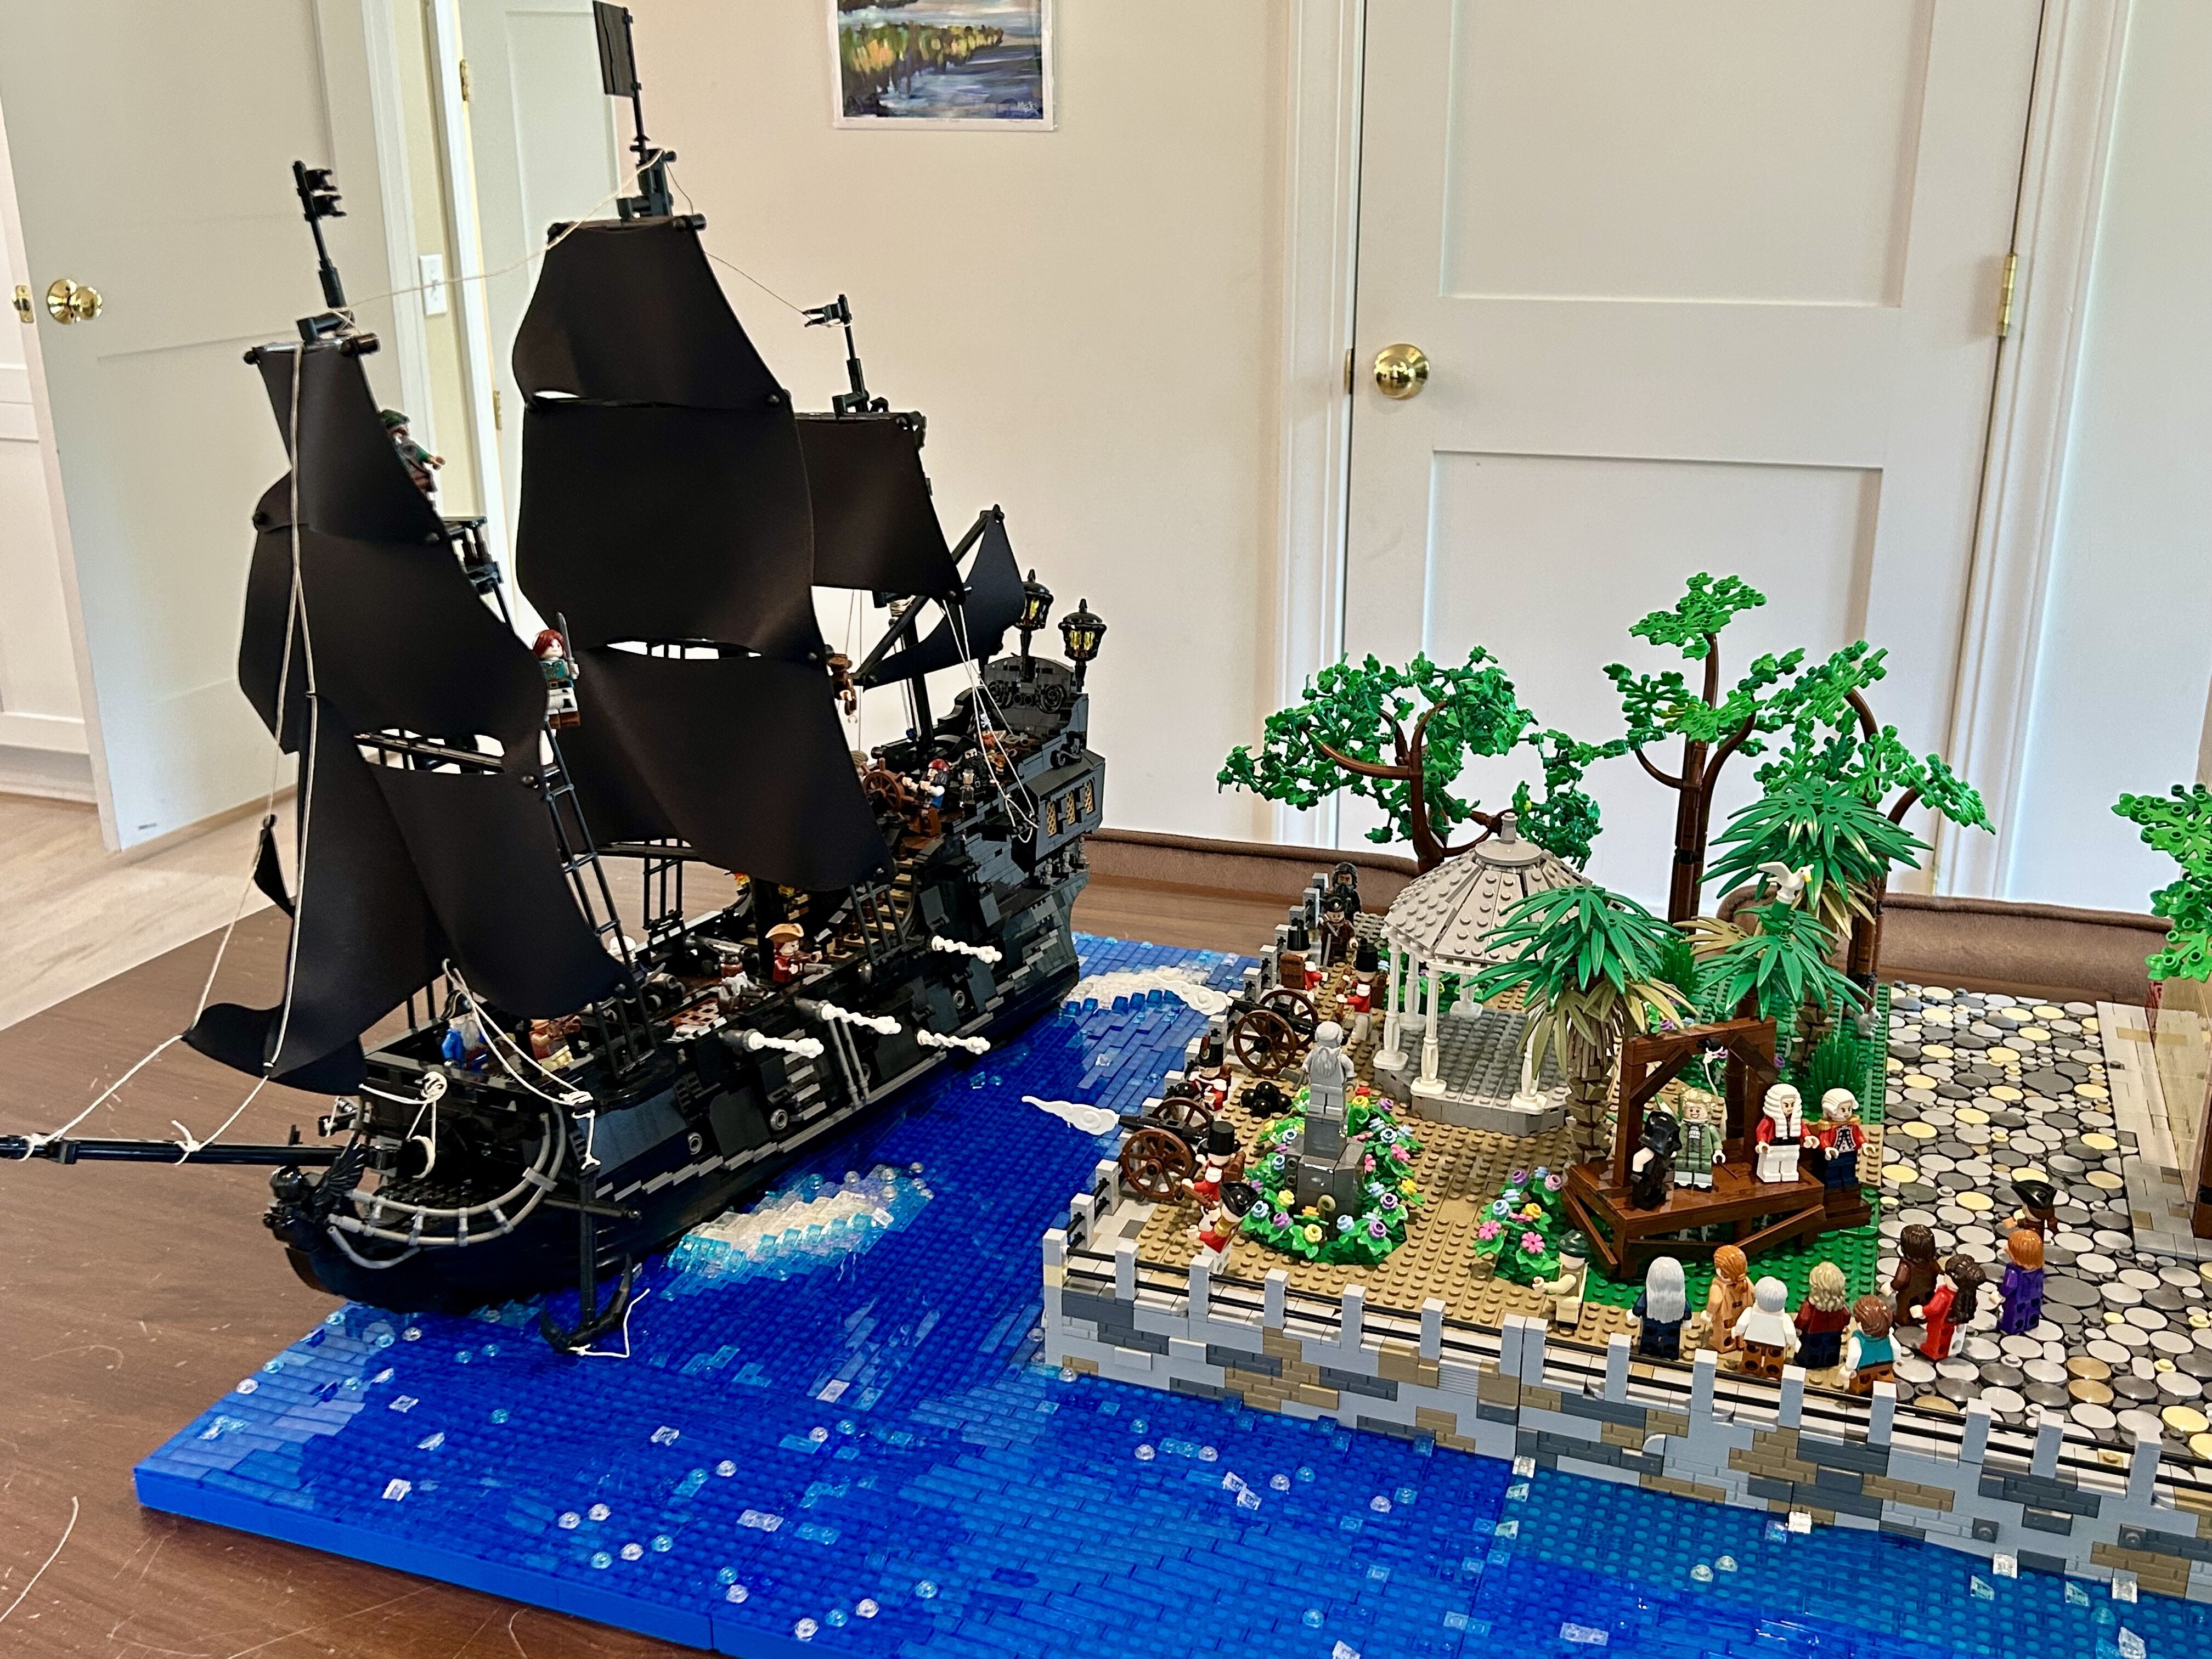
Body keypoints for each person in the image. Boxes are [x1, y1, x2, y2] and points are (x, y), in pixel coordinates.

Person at [1914, 1255, 1984, 1361]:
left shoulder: (1944, 1295)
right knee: (1950, 1338)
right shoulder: (1968, 1296)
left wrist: (1922, 1311)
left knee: (1935, 1337)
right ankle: (1948, 1351)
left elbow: (1933, 1309)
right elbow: (1975, 1303)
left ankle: (1932, 1351)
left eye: (1947, 1274)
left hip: (1939, 1323)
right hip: (1954, 1324)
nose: (1945, 1275)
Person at [1732, 1277, 1800, 1379]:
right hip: (1777, 1344)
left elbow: (1741, 1324)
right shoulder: (1785, 1318)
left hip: (1752, 1339)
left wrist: (1737, 1332)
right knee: (1774, 1359)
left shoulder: (1750, 1312)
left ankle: (1750, 1370)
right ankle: (1772, 1374)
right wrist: (1793, 1342)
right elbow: (1790, 1333)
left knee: (1752, 1355)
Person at [1794, 1261, 1852, 1371]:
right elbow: (1847, 1315)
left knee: (1810, 1352)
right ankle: (1829, 1361)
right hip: (1835, 1333)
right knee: (1832, 1351)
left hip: (1812, 1334)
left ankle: (1810, 1363)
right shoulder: (1839, 1306)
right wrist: (1844, 1323)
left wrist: (1797, 1327)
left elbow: (1803, 1318)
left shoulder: (1810, 1306)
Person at [1634, 1256, 1687, 1359]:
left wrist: (1636, 1313)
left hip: (1651, 1321)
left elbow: (1640, 1306)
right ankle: (1669, 1353)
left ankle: (1648, 1350)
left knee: (1650, 1337)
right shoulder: (1679, 1297)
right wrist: (1687, 1318)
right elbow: (1686, 1309)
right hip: (1673, 1323)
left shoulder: (1649, 1295)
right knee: (1671, 1340)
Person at [1705, 1245, 1754, 1355]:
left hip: (1726, 1316)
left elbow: (1715, 1301)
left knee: (1723, 1332)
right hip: (1743, 1313)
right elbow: (1753, 1291)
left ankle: (1724, 1345)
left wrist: (1709, 1314)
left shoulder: (1718, 1287)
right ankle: (1742, 1343)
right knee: (1742, 1328)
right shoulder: (1745, 1281)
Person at [1997, 1229, 2046, 1335]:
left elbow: (2009, 1285)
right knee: (2030, 1311)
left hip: (2015, 1299)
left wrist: (2000, 1295)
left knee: (2011, 1313)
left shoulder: (2014, 1272)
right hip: (2034, 1297)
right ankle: (2030, 1324)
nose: (2006, 1248)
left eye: (2010, 1248)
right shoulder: (2039, 1270)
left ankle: (2008, 1326)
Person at [1890, 1223, 1940, 1324]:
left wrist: (1892, 1286)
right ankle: (1923, 1318)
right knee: (1924, 1304)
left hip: (1909, 1293)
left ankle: (1903, 1319)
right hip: (1927, 1291)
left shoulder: (1906, 1265)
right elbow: (1937, 1270)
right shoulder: (1932, 1263)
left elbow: (1900, 1280)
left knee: (1903, 1303)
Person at [1753, 1083, 1803, 1182]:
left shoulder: (1795, 1120)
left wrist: (1808, 1137)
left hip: (1792, 1145)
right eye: (1786, 1105)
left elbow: (1803, 1129)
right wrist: (1762, 1142)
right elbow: (1761, 1130)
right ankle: (1770, 1174)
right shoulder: (1770, 1120)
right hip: (1774, 1145)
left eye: (1792, 1105)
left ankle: (1789, 1172)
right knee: (1772, 1160)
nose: (1790, 1108)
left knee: (1791, 1160)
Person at [1845, 1296, 1895, 1395]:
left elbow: (1854, 1355)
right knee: (1885, 1382)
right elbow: (1896, 1347)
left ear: (1861, 1324)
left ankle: (1860, 1394)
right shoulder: (1887, 1337)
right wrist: (1897, 1360)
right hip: (1885, 1364)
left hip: (1864, 1368)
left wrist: (1849, 1369)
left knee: (1861, 1386)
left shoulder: (1857, 1339)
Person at [1675, 1090, 1723, 1190]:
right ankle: (1683, 1179)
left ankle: (1703, 1181)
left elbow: (1716, 1140)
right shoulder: (1681, 1127)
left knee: (1703, 1167)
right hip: (1683, 1153)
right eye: (1691, 1110)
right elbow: (1675, 1138)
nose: (1694, 1113)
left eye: (1698, 1111)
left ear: (1707, 1110)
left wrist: (1718, 1151)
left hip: (1704, 1155)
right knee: (1682, 1166)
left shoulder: (1709, 1129)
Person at [1534, 1248, 1588, 1329]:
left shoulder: (1571, 1276)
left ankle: (1566, 1326)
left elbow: (1561, 1288)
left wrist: (1545, 1286)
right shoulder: (1581, 1267)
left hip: (1568, 1301)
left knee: (1566, 1317)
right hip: (1571, 1300)